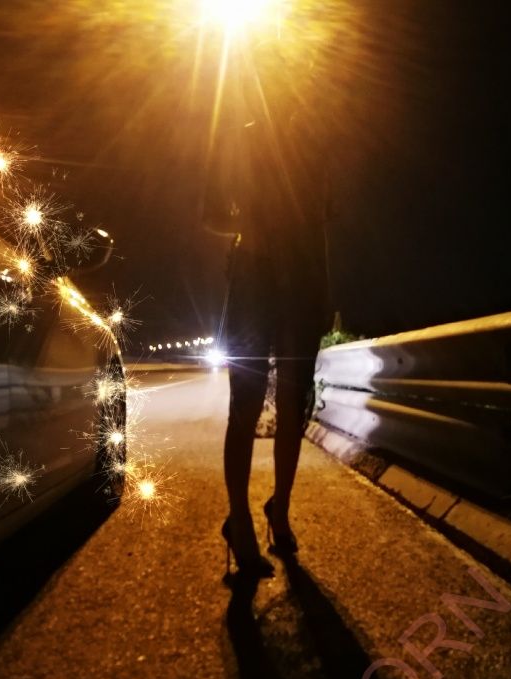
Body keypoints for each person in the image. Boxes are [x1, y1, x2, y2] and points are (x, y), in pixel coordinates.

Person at [203, 45, 333, 577]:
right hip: (255, 280)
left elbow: (317, 223)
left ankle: (279, 508)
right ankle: (240, 520)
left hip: (300, 282)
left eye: (294, 76)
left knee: (293, 404)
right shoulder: (240, 139)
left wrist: (323, 290)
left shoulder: (313, 146)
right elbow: (210, 212)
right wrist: (250, 225)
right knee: (247, 403)